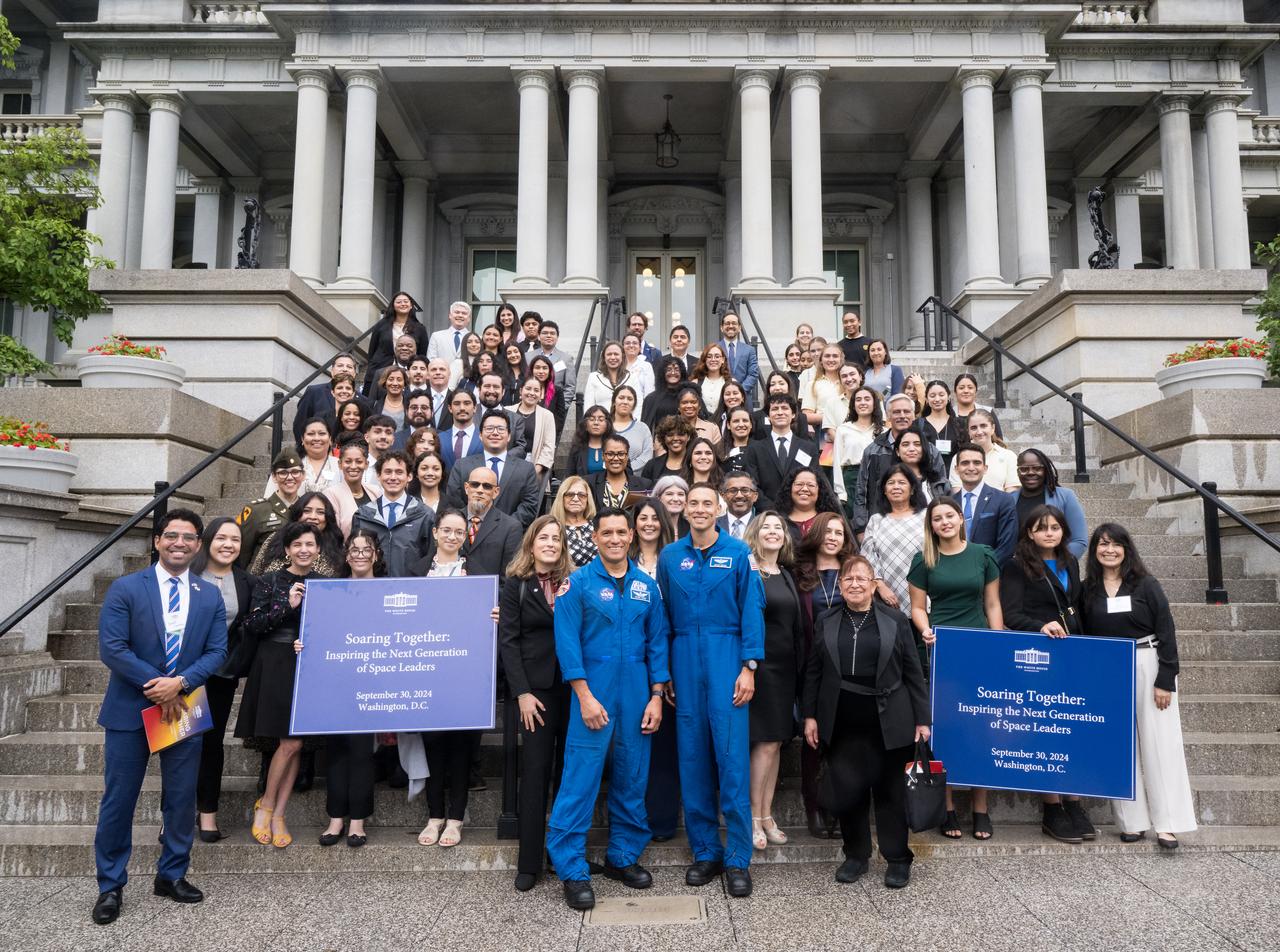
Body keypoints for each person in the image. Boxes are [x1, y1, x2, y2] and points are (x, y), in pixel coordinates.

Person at [91, 509, 227, 925]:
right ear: (157, 541)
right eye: (172, 536)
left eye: (188, 537)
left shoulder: (209, 595)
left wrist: (181, 683)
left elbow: (217, 652)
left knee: (181, 799)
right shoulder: (127, 587)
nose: (179, 543)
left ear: (198, 545)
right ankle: (110, 885)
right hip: (132, 709)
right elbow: (112, 649)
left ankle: (171, 875)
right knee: (119, 800)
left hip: (183, 709)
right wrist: (160, 684)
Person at [547, 508, 672, 910]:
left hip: (637, 693)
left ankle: (623, 857)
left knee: (632, 776)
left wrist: (656, 695)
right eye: (607, 533)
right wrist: (583, 695)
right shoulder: (577, 585)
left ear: (631, 536)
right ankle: (571, 869)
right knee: (580, 781)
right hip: (593, 693)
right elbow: (567, 644)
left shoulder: (645, 586)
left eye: (622, 532)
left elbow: (657, 641)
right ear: (595, 538)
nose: (615, 539)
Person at [657, 484, 765, 897]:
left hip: (727, 658)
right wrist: (663, 673)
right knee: (692, 758)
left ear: (718, 509)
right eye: (693, 503)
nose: (700, 509)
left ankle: (737, 858)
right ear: (683, 510)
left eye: (707, 503)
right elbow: (662, 617)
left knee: (731, 760)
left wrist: (748, 666)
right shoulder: (670, 557)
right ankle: (706, 851)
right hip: (683, 659)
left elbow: (751, 611)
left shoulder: (739, 554)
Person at [802, 554, 930, 889]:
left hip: (890, 720)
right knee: (850, 791)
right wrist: (811, 716)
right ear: (840, 586)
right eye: (849, 579)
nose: (855, 584)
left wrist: (922, 719)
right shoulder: (826, 620)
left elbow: (914, 672)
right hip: (842, 719)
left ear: (873, 584)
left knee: (890, 793)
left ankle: (898, 859)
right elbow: (813, 672)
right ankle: (855, 856)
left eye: (862, 578)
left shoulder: (896, 620)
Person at [1082, 523, 1195, 848]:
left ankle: (1167, 824)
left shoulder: (1146, 585)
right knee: (1118, 745)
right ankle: (1131, 822)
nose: (1109, 550)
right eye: (1102, 545)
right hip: (1108, 668)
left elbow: (1167, 630)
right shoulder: (1087, 588)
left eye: (1116, 544)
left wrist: (1166, 679)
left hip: (1149, 662)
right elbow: (1079, 628)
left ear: (1126, 549)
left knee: (1160, 743)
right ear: (1094, 551)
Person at [1000, 505, 1097, 845]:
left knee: (1071, 730)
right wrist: (1041, 626)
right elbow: (1011, 614)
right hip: (1040, 658)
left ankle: (1074, 802)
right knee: (1046, 732)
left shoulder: (1070, 561)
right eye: (1042, 528)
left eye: (1055, 527)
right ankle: (1052, 807)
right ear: (1029, 532)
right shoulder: (1015, 566)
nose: (1049, 533)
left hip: (1073, 655)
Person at [908, 497, 1003, 841]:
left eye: (950, 516)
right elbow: (917, 607)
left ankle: (981, 809)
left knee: (981, 726)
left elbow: (992, 604)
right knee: (945, 729)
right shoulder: (924, 560)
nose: (944, 522)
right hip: (941, 649)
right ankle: (946, 808)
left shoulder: (983, 555)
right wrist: (924, 629)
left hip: (979, 647)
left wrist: (998, 644)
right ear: (931, 525)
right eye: (937, 519)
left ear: (961, 519)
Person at [237, 521, 323, 850]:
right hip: (274, 662)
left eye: (310, 544)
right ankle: (268, 806)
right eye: (298, 544)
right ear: (287, 549)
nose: (304, 549)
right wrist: (287, 604)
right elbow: (254, 623)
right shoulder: (269, 580)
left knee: (296, 742)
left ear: (318, 550)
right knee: (288, 742)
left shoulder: (326, 584)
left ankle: (275, 810)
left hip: (309, 665)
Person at [500, 515, 574, 891]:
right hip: (536, 694)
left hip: (573, 688)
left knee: (568, 775)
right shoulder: (515, 585)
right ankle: (529, 862)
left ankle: (562, 855)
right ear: (531, 543)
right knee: (536, 774)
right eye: (543, 537)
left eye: (556, 539)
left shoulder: (573, 583)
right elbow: (509, 641)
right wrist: (522, 693)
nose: (550, 544)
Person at [312, 530, 385, 849]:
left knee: (360, 751)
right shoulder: (330, 591)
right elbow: (318, 630)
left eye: (365, 548)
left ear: (376, 555)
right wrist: (305, 644)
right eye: (353, 549)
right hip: (335, 680)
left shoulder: (389, 591)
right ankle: (335, 818)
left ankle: (357, 820)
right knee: (336, 750)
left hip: (371, 681)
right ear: (345, 555)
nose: (359, 553)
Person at [416, 510, 485, 849]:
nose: (453, 536)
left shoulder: (477, 574)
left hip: (463, 673)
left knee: (459, 750)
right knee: (432, 748)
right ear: (435, 532)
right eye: (447, 530)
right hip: (426, 671)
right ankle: (434, 815)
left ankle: (455, 819)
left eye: (459, 532)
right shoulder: (416, 571)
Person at [744, 512, 805, 851]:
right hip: (761, 667)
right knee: (764, 743)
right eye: (766, 527)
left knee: (778, 741)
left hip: (785, 668)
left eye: (778, 528)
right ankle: (753, 816)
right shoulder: (750, 570)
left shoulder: (785, 573)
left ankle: (767, 814)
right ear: (755, 533)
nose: (772, 532)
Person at [191, 518, 253, 844]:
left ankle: (208, 813)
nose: (228, 544)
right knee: (179, 743)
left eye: (235, 539)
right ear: (207, 541)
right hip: (182, 674)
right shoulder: (187, 573)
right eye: (222, 538)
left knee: (212, 743)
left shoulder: (244, 581)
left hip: (221, 673)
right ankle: (172, 814)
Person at [852, 393, 947, 536]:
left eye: (907, 411)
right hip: (882, 527)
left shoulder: (930, 451)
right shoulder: (873, 451)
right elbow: (862, 492)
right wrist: (860, 528)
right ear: (888, 416)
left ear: (914, 415)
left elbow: (941, 488)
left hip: (924, 529)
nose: (902, 415)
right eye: (896, 412)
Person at [444, 410, 541, 528]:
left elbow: (529, 506)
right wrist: (473, 524)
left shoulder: (526, 469)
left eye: (500, 429)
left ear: (509, 436)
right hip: (469, 534)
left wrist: (504, 528)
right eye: (489, 428)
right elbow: (454, 500)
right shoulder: (462, 465)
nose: (495, 433)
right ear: (480, 435)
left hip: (509, 537)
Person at [427, 464, 522, 580]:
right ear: (467, 488)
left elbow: (509, 576)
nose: (480, 490)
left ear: (496, 492)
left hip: (490, 595)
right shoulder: (447, 520)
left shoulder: (510, 527)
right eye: (475, 485)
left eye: (487, 486)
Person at [350, 450, 436, 577]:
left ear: (409, 476)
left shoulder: (424, 515)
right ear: (378, 476)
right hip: (373, 588)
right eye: (388, 472)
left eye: (399, 472)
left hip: (412, 590)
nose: (393, 477)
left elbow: (430, 558)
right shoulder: (363, 515)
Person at [861, 464, 928, 616]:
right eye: (891, 483)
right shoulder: (876, 520)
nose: (896, 487)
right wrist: (880, 586)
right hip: (887, 600)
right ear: (884, 490)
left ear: (912, 489)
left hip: (925, 597)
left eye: (902, 482)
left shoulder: (926, 517)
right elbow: (867, 558)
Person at [745, 393, 820, 509]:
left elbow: (815, 481)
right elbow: (752, 485)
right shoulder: (755, 449)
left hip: (800, 512)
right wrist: (771, 510)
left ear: (793, 414)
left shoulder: (809, 448)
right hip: (766, 515)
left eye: (785, 408)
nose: (780, 412)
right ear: (768, 416)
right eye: (775, 409)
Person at [1013, 448, 1089, 559]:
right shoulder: (1009, 500)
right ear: (1018, 472)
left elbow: (1079, 541)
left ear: (1046, 470)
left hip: (1055, 569)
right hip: (1017, 568)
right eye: (1024, 469)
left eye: (1037, 468)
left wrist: (1052, 562)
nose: (1030, 472)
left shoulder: (1066, 496)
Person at [249, 491, 343, 577]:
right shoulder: (275, 538)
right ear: (297, 513)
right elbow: (255, 575)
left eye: (320, 512)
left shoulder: (336, 546)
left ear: (328, 517)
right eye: (307, 511)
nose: (313, 517)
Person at [237, 449, 305, 569]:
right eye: (283, 473)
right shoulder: (256, 510)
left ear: (303, 475)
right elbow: (242, 554)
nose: (290, 477)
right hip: (263, 579)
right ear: (274, 477)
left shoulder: (308, 509)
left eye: (295, 472)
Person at [952, 443, 1017, 566]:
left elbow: (1007, 545)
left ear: (985, 468)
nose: (971, 468)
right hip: (954, 572)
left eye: (977, 463)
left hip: (989, 574)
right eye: (965, 463)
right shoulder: (949, 503)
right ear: (956, 469)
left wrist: (983, 569)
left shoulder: (1003, 500)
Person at [832, 386, 883, 519]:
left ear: (874, 404)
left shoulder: (884, 431)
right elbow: (837, 463)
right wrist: (841, 493)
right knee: (852, 522)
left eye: (867, 399)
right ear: (853, 405)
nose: (863, 403)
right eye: (858, 400)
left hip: (877, 479)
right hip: (851, 479)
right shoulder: (843, 429)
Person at [364, 292, 429, 395]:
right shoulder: (381, 325)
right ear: (393, 306)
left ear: (411, 305)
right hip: (380, 369)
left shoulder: (419, 328)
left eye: (406, 301)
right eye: (399, 302)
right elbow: (372, 349)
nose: (402, 304)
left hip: (408, 372)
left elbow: (422, 353)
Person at [294, 354, 366, 445]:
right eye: (340, 366)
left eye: (349, 367)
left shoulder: (364, 401)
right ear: (332, 371)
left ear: (355, 373)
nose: (344, 369)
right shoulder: (314, 392)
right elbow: (300, 423)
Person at [950, 408, 1019, 493]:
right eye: (974, 428)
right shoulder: (958, 458)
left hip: (1000, 506)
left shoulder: (1009, 456)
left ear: (993, 428)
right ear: (968, 432)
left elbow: (1012, 492)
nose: (979, 432)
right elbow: (958, 493)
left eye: (983, 426)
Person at [267, 420, 339, 497]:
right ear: (302, 439)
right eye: (311, 434)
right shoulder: (287, 463)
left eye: (322, 433)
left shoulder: (340, 465)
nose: (317, 438)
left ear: (330, 439)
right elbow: (270, 498)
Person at [324, 440, 380, 539]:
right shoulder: (331, 494)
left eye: (359, 461)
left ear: (366, 464)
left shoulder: (376, 492)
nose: (353, 466)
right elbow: (332, 533)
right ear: (339, 464)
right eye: (348, 461)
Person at [585, 433, 653, 511]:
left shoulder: (644, 485)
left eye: (621, 454)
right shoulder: (589, 483)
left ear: (627, 457)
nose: (616, 458)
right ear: (603, 456)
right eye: (610, 454)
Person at [509, 375, 557, 484]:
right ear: (521, 391)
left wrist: (535, 470)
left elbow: (549, 447)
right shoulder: (507, 411)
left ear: (541, 395)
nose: (531, 393)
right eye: (528, 388)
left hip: (534, 467)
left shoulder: (547, 416)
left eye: (536, 390)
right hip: (508, 466)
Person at [778, 468, 842, 542]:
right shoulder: (778, 520)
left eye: (811, 485)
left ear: (819, 490)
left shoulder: (830, 520)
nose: (805, 489)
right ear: (790, 488)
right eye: (799, 484)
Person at [551, 476, 598, 568]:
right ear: (562, 497)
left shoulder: (598, 525)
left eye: (581, 495)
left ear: (588, 499)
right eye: (570, 494)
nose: (576, 499)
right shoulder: (553, 528)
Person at [528, 319, 576, 410]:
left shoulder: (566, 359)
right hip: (530, 406)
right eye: (545, 333)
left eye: (552, 333)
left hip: (555, 408)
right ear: (538, 336)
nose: (549, 336)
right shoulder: (528, 357)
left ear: (557, 337)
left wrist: (561, 407)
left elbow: (570, 387)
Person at [893, 429, 950, 504]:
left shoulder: (940, 482)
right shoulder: (889, 482)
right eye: (905, 444)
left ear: (924, 449)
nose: (911, 449)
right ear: (897, 452)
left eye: (917, 444)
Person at [919, 379, 963, 473]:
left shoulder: (960, 424)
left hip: (955, 477)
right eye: (932, 396)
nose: (937, 399)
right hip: (927, 477)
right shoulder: (918, 425)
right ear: (926, 399)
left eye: (941, 395)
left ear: (948, 397)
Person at [717, 310, 759, 403]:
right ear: (721, 327)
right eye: (727, 323)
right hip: (719, 398)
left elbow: (753, 374)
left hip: (744, 398)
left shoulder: (749, 350)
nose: (730, 326)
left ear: (739, 327)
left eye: (734, 323)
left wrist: (739, 391)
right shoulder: (715, 349)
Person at [801, 343, 844, 431]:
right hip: (824, 433)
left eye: (835, 356)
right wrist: (832, 417)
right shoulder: (812, 385)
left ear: (841, 359)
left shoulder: (848, 382)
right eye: (827, 356)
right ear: (821, 360)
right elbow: (806, 416)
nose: (831, 359)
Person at [611, 384, 654, 469]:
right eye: (621, 398)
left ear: (634, 404)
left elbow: (646, 456)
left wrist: (626, 469)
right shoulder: (604, 426)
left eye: (630, 399)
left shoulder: (642, 428)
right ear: (614, 402)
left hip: (635, 478)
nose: (625, 402)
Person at [565, 404, 613, 478]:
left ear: (608, 424)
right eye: (592, 419)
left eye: (601, 419)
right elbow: (569, 477)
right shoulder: (577, 448)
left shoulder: (616, 447)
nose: (596, 423)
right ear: (585, 424)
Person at [641, 416, 694, 482]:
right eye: (670, 435)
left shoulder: (695, 463)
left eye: (680, 434)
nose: (675, 438)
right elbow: (644, 490)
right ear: (664, 438)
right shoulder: (652, 465)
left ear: (688, 437)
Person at [438, 390, 482, 470]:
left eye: (467, 403)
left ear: (475, 408)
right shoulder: (439, 439)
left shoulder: (484, 438)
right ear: (450, 408)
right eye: (457, 404)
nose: (462, 408)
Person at [952, 372, 1003, 440]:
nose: (966, 391)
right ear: (955, 391)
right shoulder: (949, 414)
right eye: (961, 388)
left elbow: (998, 439)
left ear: (976, 390)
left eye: (970, 388)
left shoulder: (988, 411)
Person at [642, 354, 689, 427]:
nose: (673, 373)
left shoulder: (689, 396)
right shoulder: (651, 399)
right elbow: (645, 427)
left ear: (681, 373)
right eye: (669, 369)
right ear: (662, 373)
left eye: (676, 369)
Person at [528, 354, 569, 437]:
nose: (541, 371)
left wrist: (551, 435)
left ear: (550, 371)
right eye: (537, 367)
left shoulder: (557, 391)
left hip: (549, 436)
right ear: (532, 370)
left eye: (545, 368)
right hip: (527, 435)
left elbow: (560, 418)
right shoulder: (525, 389)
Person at [582, 341, 631, 410]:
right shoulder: (593, 377)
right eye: (609, 354)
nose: (613, 357)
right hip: (601, 420)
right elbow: (588, 407)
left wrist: (633, 421)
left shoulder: (632, 377)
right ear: (604, 357)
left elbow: (638, 405)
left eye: (616, 354)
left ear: (622, 356)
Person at [690, 341, 731, 414]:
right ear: (705, 360)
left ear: (723, 360)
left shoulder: (731, 383)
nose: (713, 360)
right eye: (709, 356)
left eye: (717, 356)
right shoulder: (695, 383)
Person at [718, 470, 760, 539]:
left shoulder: (763, 526)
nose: (739, 495)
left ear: (755, 496)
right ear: (723, 496)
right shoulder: (712, 526)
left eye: (745, 490)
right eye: (733, 490)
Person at [621, 332, 656, 404]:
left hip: (640, 408)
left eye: (635, 343)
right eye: (627, 343)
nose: (631, 345)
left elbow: (649, 392)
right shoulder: (618, 365)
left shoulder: (646, 366)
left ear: (640, 348)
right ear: (623, 347)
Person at [407, 449, 445, 514]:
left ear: (442, 474)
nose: (430, 473)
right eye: (424, 468)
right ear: (416, 474)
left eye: (436, 469)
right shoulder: (408, 503)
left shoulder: (453, 503)